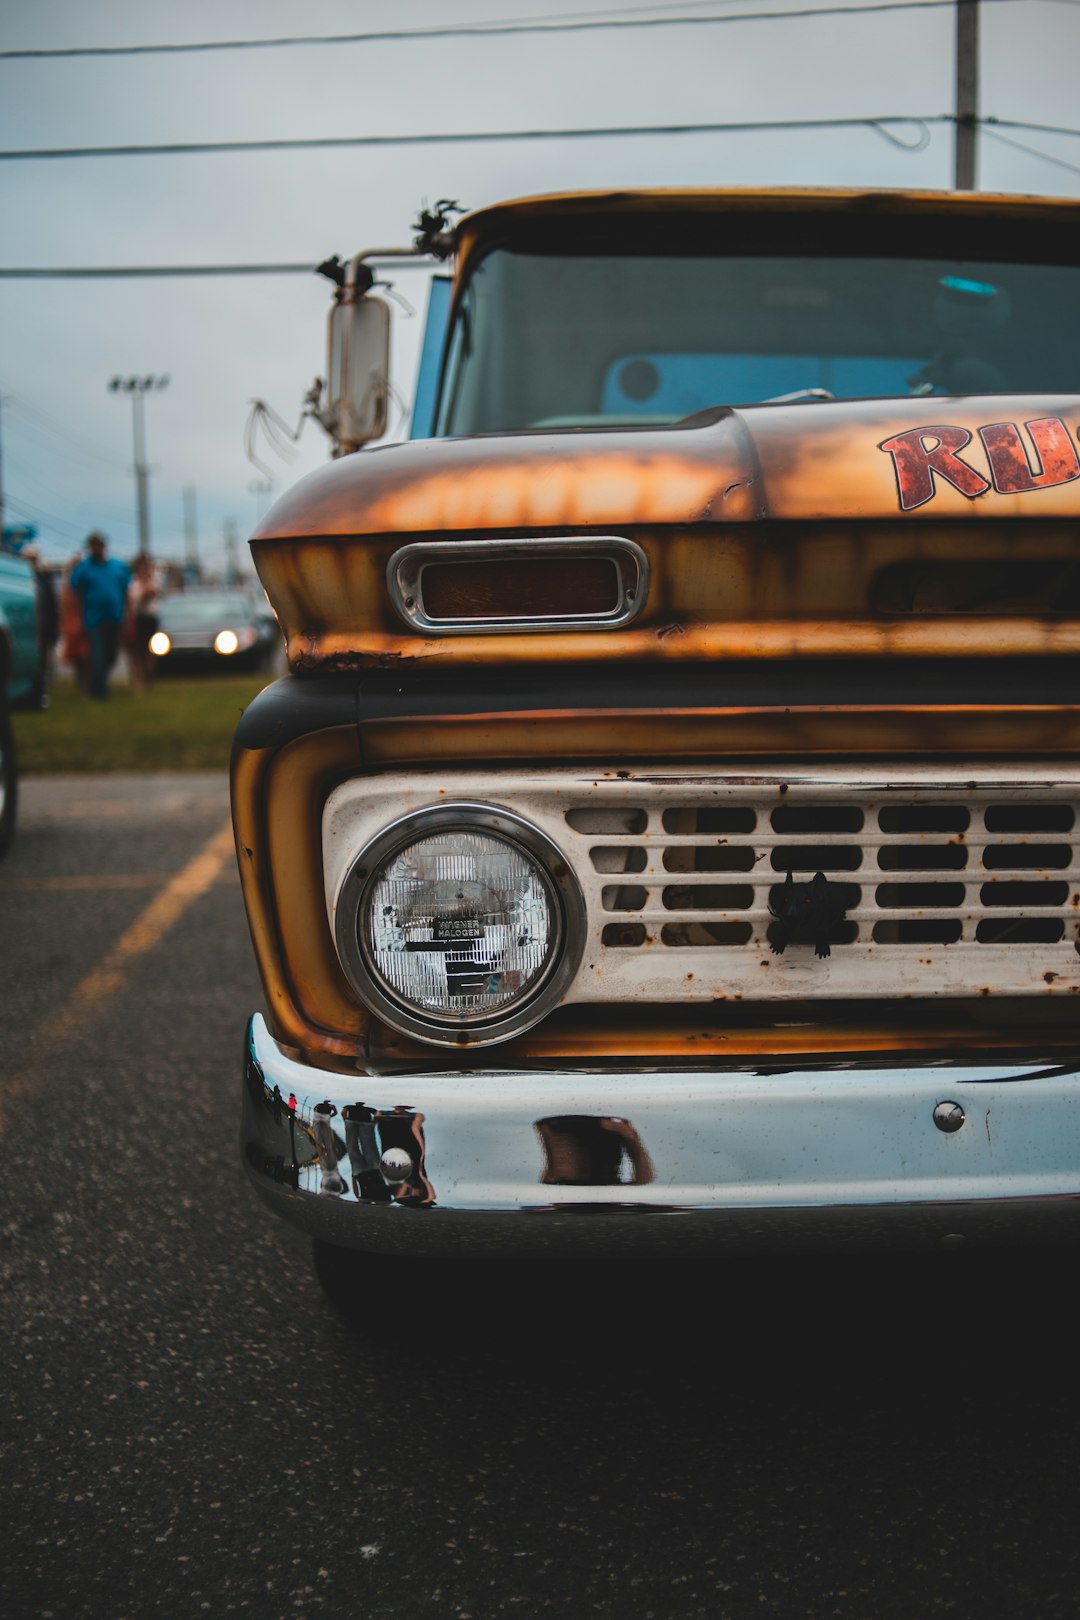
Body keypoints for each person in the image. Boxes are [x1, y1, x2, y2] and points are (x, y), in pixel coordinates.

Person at [69, 532, 131, 700]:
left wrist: (128, 615)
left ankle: (96, 683)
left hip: (114, 617)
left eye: (99, 545)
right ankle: (99, 691)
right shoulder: (84, 569)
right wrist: (76, 618)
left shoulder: (117, 567)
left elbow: (126, 593)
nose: (97, 548)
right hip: (93, 619)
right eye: (93, 545)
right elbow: (75, 594)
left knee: (111, 655)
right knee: (97, 655)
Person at [124, 553, 162, 694]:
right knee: (137, 651)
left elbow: (155, 594)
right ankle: (138, 681)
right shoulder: (133, 583)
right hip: (138, 619)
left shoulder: (154, 581)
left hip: (151, 619)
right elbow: (133, 601)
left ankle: (148, 678)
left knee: (150, 651)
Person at [60, 553, 91, 695]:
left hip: (85, 620)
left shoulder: (84, 585)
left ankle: (85, 684)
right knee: (78, 656)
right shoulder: (69, 588)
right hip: (73, 622)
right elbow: (65, 606)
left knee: (86, 654)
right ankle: (81, 685)